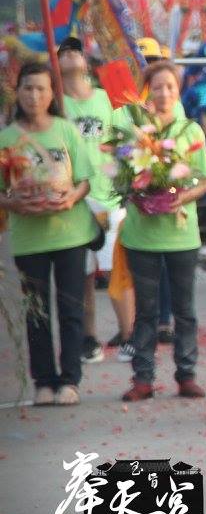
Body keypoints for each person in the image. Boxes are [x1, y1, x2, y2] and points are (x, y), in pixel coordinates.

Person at [0, 62, 96, 406]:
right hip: (29, 239)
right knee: (36, 311)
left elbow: (85, 180)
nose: (34, 95)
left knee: (71, 308)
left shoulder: (66, 131)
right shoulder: (6, 139)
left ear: (52, 93)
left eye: (41, 88)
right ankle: (43, 380)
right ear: (18, 93)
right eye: (28, 88)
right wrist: (13, 203)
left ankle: (70, 380)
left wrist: (71, 197)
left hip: (70, 234)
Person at [117, 61, 206, 402]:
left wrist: (181, 197)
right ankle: (143, 378)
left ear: (179, 89)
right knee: (146, 310)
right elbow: (120, 176)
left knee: (184, 309)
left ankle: (186, 374)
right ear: (148, 91)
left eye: (170, 86)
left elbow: (204, 181)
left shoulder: (191, 131)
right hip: (141, 234)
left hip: (181, 234)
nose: (164, 93)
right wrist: (136, 190)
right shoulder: (134, 131)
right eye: (157, 87)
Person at [58, 39, 125, 364]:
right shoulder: (55, 103)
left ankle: (129, 334)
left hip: (109, 194)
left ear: (86, 60)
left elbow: (125, 139)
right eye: (63, 52)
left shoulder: (105, 97)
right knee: (82, 274)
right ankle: (89, 338)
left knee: (117, 270)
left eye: (76, 50)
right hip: (75, 199)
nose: (71, 55)